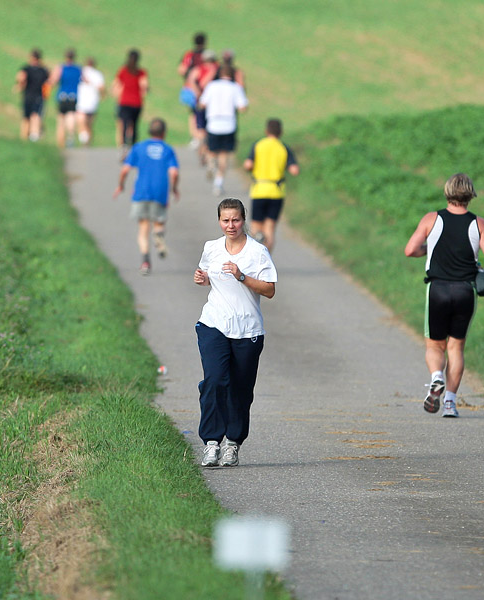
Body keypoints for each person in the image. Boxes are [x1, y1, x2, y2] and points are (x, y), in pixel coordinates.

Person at [404, 173, 484, 418]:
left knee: (435, 345)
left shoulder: (431, 219)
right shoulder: (479, 223)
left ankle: (436, 378)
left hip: (437, 289)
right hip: (465, 290)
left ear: (447, 192)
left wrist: (429, 250)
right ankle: (450, 403)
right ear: (470, 195)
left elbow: (410, 250)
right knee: (456, 347)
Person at [193, 198, 277, 467]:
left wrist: (242, 276)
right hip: (213, 323)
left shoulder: (257, 252)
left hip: (247, 329)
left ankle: (233, 443)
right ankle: (211, 442)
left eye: (236, 220)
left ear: (244, 220)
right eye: (225, 220)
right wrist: (203, 279)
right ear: (219, 221)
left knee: (240, 390)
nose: (231, 225)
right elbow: (208, 274)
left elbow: (270, 290)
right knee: (215, 381)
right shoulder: (212, 248)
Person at [113, 118, 179, 275]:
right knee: (159, 222)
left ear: (149, 131)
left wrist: (121, 185)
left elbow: (125, 170)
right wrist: (174, 189)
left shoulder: (139, 148)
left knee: (143, 228)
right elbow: (174, 172)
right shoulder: (168, 150)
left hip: (141, 192)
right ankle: (158, 236)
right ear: (164, 133)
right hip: (160, 192)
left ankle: (145, 262)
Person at [242, 118, 300, 249]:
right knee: (270, 227)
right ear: (281, 132)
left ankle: (255, 257)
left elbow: (248, 165)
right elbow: (294, 170)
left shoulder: (258, 145)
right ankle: (267, 261)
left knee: (256, 227)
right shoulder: (283, 147)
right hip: (276, 191)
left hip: (259, 190)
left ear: (266, 131)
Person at [198, 66, 248, 195]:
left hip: (213, 123)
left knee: (212, 150)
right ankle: (218, 184)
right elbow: (243, 107)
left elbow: (202, 104)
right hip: (228, 124)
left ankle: (210, 164)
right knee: (224, 155)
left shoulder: (212, 86)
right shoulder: (235, 87)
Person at [187, 49, 220, 166]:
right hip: (212, 104)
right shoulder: (216, 69)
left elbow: (191, 82)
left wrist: (198, 95)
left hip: (201, 103)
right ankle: (206, 153)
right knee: (210, 130)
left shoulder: (198, 69)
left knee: (202, 130)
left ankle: (203, 152)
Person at [112, 49, 148, 155]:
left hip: (124, 102)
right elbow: (144, 87)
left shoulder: (123, 71)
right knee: (134, 125)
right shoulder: (141, 72)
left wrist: (116, 95)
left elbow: (116, 85)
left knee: (124, 124)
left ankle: (123, 147)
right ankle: (133, 147)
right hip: (136, 103)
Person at [46, 48, 82, 147]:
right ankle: (70, 136)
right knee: (71, 117)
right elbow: (84, 80)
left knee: (61, 121)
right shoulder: (78, 69)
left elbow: (53, 80)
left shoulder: (61, 68)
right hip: (73, 96)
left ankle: (61, 145)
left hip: (62, 96)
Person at [178, 32, 207, 144]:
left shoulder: (189, 55)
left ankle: (195, 136)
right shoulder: (208, 55)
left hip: (190, 87)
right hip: (205, 89)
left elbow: (182, 70)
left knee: (193, 113)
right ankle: (203, 135)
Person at [15, 48, 49, 141]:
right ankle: (34, 137)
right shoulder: (43, 70)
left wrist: (19, 86)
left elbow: (20, 78)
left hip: (28, 96)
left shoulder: (26, 69)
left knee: (26, 119)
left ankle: (24, 139)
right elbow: (48, 83)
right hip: (39, 96)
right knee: (36, 117)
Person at [76, 56, 105, 146]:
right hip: (93, 101)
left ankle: (84, 139)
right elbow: (102, 88)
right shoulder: (98, 74)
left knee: (82, 122)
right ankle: (87, 141)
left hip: (82, 100)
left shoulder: (81, 72)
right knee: (89, 123)